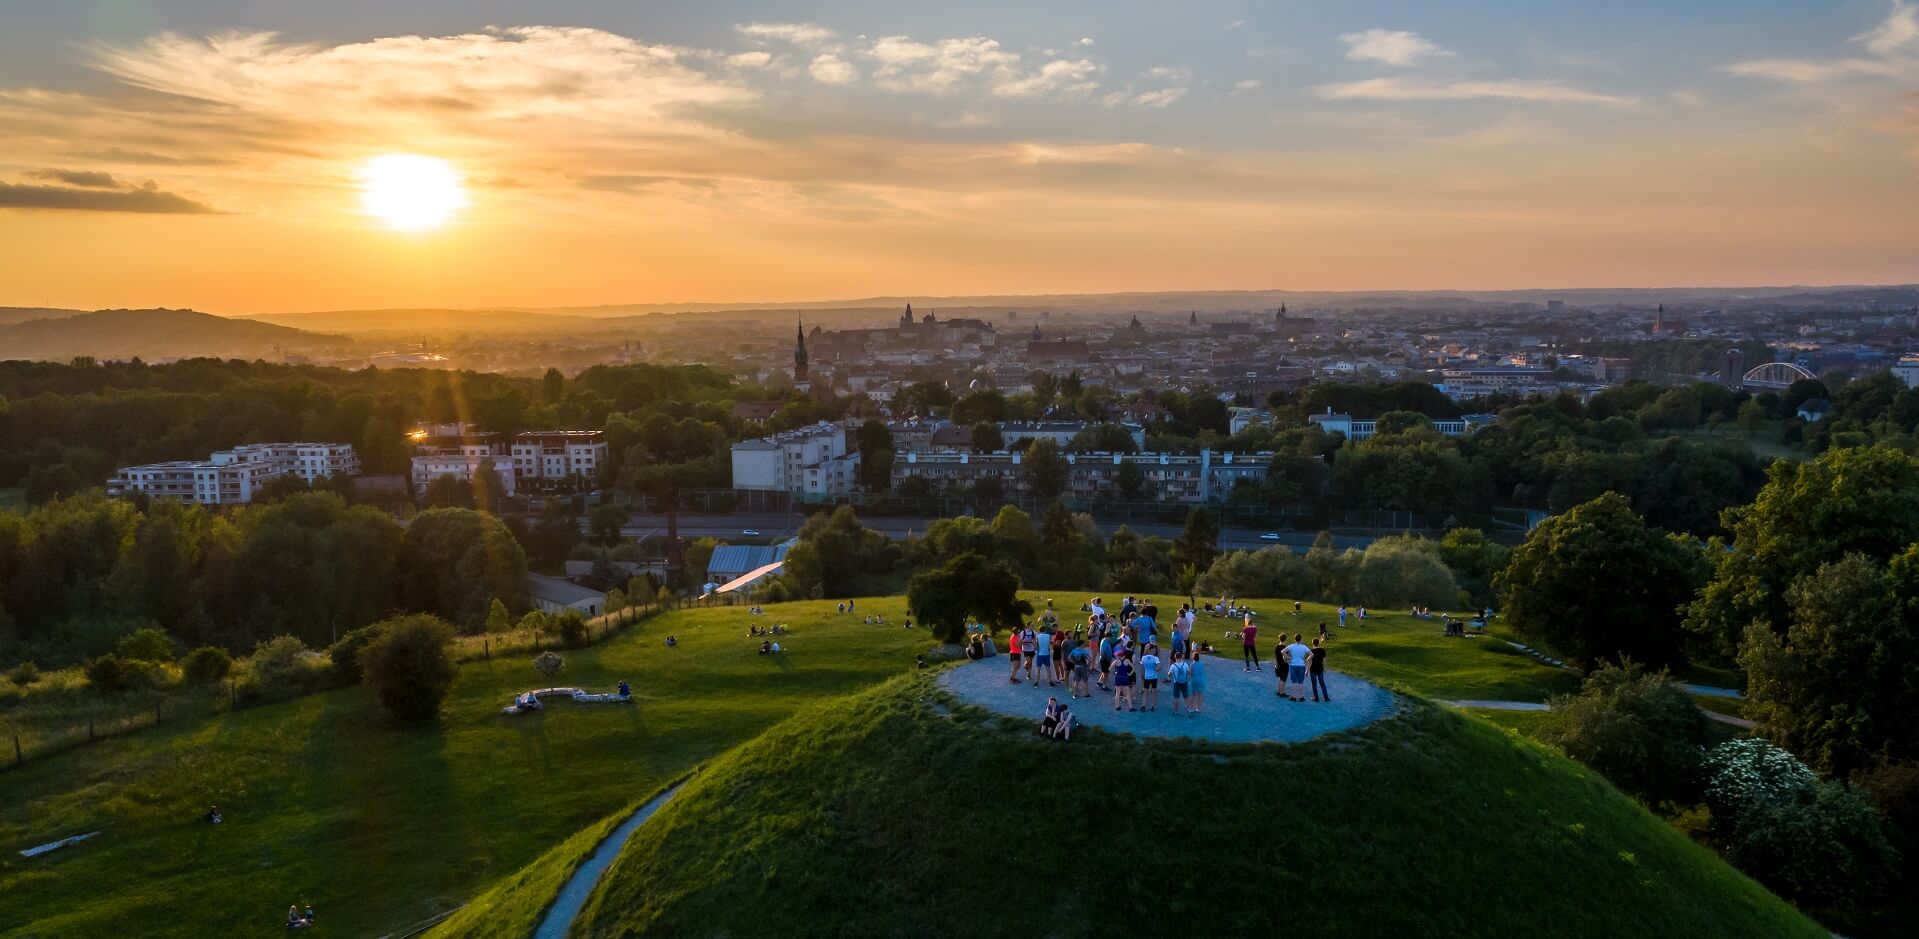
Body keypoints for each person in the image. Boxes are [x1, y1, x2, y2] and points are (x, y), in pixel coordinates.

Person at [1283, 633, 1312, 702]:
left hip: (1293, 665)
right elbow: (1311, 654)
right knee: (1301, 682)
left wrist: (1288, 657)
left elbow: (1282, 651)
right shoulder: (1304, 647)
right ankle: (1301, 697)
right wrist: (1306, 660)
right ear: (1300, 639)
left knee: (1294, 682)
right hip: (1301, 666)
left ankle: (1294, 696)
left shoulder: (1291, 646)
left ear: (1294, 639)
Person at [1167, 651, 1192, 715]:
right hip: (1184, 682)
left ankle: (1176, 711)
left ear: (1175, 657)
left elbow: (1169, 674)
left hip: (1177, 683)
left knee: (1176, 697)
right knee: (1186, 697)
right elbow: (1189, 673)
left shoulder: (1173, 666)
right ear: (1181, 657)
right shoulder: (1185, 664)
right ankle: (1189, 709)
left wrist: (1169, 674)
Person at [1138, 643, 1161, 711]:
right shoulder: (1156, 658)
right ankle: (1153, 706)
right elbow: (1159, 667)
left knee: (1145, 692)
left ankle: (1143, 706)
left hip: (1147, 677)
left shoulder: (1144, 658)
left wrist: (1142, 674)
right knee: (1153, 692)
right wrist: (1156, 669)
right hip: (1154, 677)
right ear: (1153, 651)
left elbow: (1142, 667)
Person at [1308, 637, 1330, 702]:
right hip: (1320, 669)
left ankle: (1316, 698)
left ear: (1312, 643)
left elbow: (1310, 662)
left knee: (1314, 684)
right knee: (1322, 683)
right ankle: (1326, 697)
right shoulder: (1322, 650)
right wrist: (1324, 668)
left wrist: (1307, 670)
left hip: (1313, 669)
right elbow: (1324, 660)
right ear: (1318, 643)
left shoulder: (1311, 651)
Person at [1188, 647, 1208, 715]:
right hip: (1201, 680)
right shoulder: (1202, 663)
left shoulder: (1192, 664)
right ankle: (1198, 708)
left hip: (1195, 680)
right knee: (1200, 695)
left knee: (1194, 695)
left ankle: (1192, 708)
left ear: (1193, 658)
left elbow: (1190, 673)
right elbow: (1203, 671)